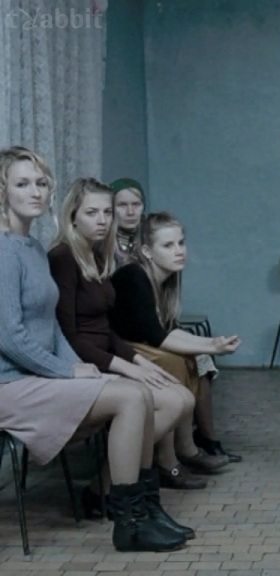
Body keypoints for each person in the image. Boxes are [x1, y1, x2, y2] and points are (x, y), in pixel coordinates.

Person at [0, 146, 187, 552]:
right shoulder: (3, 251)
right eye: (22, 184)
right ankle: (129, 522)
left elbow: (52, 328)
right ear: (3, 191)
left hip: (38, 377)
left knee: (138, 393)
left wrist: (77, 367)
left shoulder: (31, 248)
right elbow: (9, 337)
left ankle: (143, 510)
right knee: (131, 397)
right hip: (9, 384)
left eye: (41, 183)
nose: (35, 191)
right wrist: (68, 371)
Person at [49, 178, 227, 496]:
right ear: (72, 216)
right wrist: (125, 365)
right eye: (92, 212)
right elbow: (67, 336)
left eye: (107, 212)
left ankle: (114, 488)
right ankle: (121, 491)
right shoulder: (63, 257)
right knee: (169, 396)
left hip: (107, 355)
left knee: (181, 399)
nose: (103, 220)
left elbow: (105, 329)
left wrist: (135, 361)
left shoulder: (95, 256)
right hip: (82, 365)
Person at [111, 212, 243, 476]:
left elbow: (168, 329)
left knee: (196, 358)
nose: (179, 251)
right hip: (117, 349)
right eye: (168, 245)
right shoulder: (134, 276)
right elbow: (156, 336)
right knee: (175, 360)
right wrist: (212, 346)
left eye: (181, 243)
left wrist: (211, 343)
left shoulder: (166, 278)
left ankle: (187, 447)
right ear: (147, 251)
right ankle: (170, 459)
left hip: (138, 345)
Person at [110, 178, 145, 267]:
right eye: (122, 205)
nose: (130, 212)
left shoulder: (153, 238)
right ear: (110, 208)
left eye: (136, 204)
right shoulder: (100, 244)